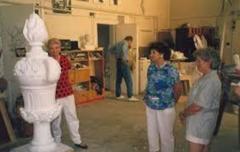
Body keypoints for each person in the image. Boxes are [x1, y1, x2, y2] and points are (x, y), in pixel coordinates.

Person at [47, 38, 88, 149]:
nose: (54, 50)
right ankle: (56, 141)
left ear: (60, 48)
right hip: (54, 95)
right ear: (48, 50)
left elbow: (69, 70)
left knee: (72, 117)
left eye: (56, 48)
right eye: (51, 48)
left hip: (68, 93)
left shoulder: (65, 59)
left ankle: (77, 140)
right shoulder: (47, 61)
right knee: (56, 120)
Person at [179, 48, 221, 152]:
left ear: (209, 62)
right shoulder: (207, 77)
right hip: (202, 123)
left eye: (199, 61)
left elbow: (198, 106)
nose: (197, 64)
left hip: (200, 124)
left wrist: (184, 114)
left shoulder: (211, 80)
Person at [144, 42, 182, 152]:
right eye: (150, 52)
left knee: (166, 135)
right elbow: (150, 83)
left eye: (153, 52)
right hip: (150, 105)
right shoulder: (151, 67)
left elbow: (178, 88)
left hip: (165, 106)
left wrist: (172, 102)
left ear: (161, 54)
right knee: (152, 132)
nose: (150, 55)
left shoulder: (171, 70)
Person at [111, 36, 138, 101]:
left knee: (118, 80)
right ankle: (130, 96)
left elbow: (111, 49)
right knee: (129, 80)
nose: (130, 44)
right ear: (129, 40)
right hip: (123, 62)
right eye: (130, 42)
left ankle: (118, 95)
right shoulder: (125, 43)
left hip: (118, 62)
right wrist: (126, 59)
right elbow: (124, 50)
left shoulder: (118, 43)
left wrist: (116, 55)